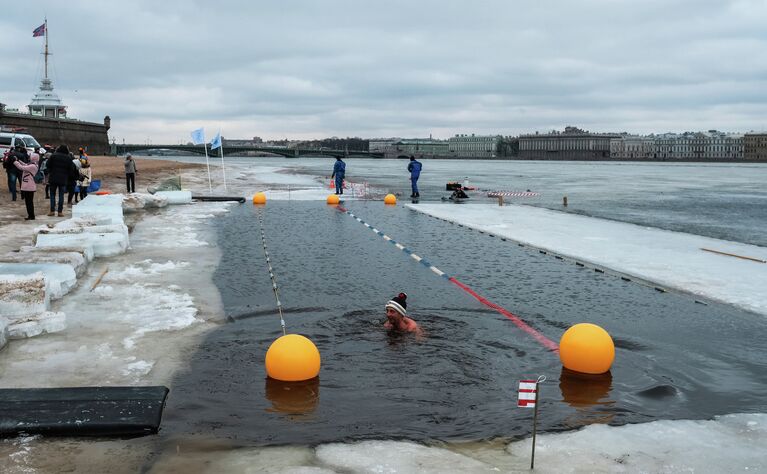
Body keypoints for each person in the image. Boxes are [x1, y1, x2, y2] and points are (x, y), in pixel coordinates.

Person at [46, 145, 76, 217]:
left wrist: (51, 171)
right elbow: (71, 169)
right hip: (63, 179)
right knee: (61, 195)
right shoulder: (68, 158)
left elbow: (47, 165)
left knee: (52, 194)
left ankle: (52, 211)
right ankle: (60, 212)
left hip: (53, 177)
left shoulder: (53, 156)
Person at [12, 148, 39, 220]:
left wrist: (15, 162)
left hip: (29, 186)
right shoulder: (33, 164)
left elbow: (21, 167)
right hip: (29, 186)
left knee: (29, 202)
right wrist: (18, 160)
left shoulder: (32, 166)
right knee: (28, 202)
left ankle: (31, 216)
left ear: (33, 158)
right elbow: (25, 164)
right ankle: (30, 215)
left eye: (31, 156)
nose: (30, 157)